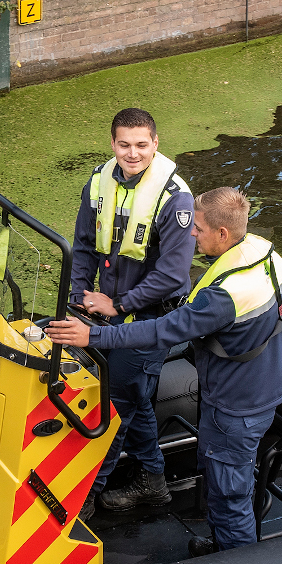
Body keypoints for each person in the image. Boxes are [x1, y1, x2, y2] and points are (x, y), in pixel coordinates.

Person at [47, 187, 282, 556]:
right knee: (225, 481)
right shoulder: (265, 253)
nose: (191, 233)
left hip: (234, 408)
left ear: (223, 233)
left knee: (229, 494)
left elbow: (162, 331)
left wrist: (92, 335)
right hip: (264, 389)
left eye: (199, 228)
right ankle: (224, 543)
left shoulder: (223, 296)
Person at [69, 107, 196, 516]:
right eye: (124, 144)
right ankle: (153, 480)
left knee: (115, 405)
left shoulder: (175, 199)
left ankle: (84, 498)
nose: (132, 153)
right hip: (108, 312)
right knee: (136, 399)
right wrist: (77, 294)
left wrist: (120, 304)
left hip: (151, 318)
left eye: (141, 145)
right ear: (112, 144)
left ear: (155, 144)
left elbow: (172, 274)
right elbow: (83, 245)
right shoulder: (99, 182)